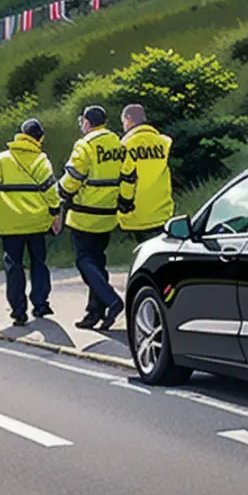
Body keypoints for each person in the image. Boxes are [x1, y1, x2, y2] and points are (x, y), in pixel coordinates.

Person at [0, 118, 63, 326]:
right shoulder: (41, 160)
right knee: (39, 262)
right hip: (37, 222)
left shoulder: (2, 159)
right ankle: (41, 304)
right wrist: (54, 211)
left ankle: (18, 311)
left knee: (13, 265)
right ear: (39, 138)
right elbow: (51, 191)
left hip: (10, 223)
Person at [58, 105, 124, 331]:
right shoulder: (117, 142)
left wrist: (61, 192)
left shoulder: (85, 145)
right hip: (108, 213)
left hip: (85, 213)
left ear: (87, 122)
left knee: (84, 260)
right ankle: (94, 312)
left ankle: (112, 300)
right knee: (98, 262)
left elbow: (73, 178)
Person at [118, 103, 175, 244]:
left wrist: (122, 205)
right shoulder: (164, 142)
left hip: (136, 213)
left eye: (123, 122)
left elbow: (124, 178)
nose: (123, 126)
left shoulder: (124, 146)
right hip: (162, 211)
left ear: (129, 118)